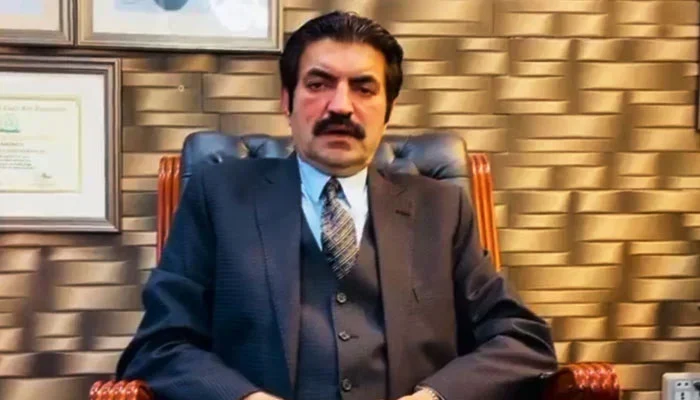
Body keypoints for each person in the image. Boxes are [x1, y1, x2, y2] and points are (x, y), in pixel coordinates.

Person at [115, 11, 558, 400]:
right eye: (318, 84)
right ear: (286, 100)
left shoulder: (441, 210)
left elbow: (522, 341)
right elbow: (160, 345)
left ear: (388, 108)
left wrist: (435, 397)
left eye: (364, 88)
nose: (341, 106)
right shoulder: (218, 197)